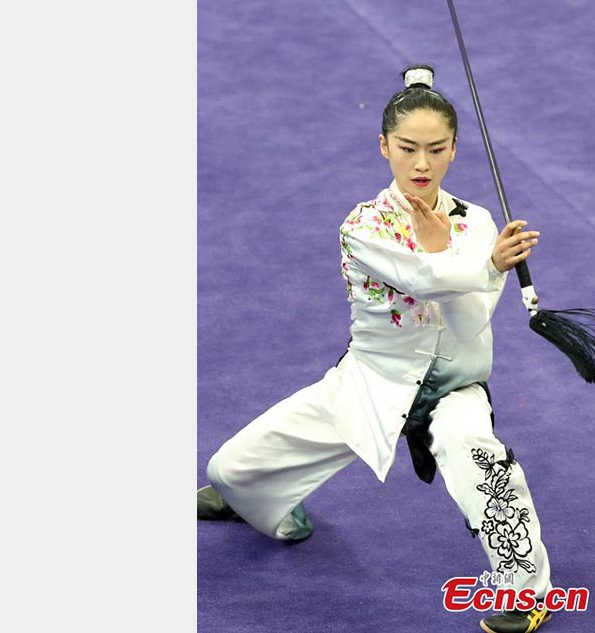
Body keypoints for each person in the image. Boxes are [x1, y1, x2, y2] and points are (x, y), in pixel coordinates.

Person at [198, 63, 554, 633]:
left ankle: (527, 594)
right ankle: (258, 498)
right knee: (228, 470)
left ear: (455, 150)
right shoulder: (362, 227)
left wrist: (475, 262)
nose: (421, 164)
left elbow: (469, 322)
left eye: (436, 149)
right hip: (370, 382)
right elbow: (418, 278)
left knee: (484, 463)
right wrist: (467, 261)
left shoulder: (479, 224)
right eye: (407, 148)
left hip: (454, 387)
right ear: (384, 146)